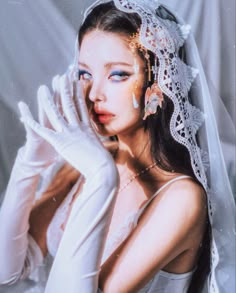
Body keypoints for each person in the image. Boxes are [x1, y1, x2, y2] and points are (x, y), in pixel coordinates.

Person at [0, 1, 235, 293]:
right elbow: (6, 272)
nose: (94, 93)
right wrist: (29, 164)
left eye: (118, 75)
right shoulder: (83, 163)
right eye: (85, 74)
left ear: (158, 86)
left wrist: (102, 177)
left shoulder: (183, 198)